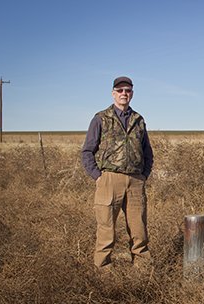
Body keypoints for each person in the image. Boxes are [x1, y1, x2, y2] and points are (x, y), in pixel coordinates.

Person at [81, 76, 154, 271]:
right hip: (109, 180)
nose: (124, 94)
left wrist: (144, 175)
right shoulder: (101, 118)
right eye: (120, 90)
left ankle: (142, 269)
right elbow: (87, 151)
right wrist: (98, 176)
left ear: (132, 93)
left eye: (128, 90)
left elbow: (147, 152)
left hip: (136, 181)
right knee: (106, 229)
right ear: (113, 93)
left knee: (139, 228)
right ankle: (103, 270)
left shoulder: (139, 120)